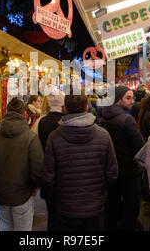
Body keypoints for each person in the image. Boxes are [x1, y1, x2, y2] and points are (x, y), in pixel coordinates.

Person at [41, 95, 118, 231]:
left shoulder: (55, 137)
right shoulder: (103, 135)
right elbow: (112, 173)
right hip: (95, 205)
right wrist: (100, 191)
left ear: (65, 109)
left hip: (66, 206)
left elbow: (48, 176)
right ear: (86, 107)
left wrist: (56, 196)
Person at [0, 98, 44, 231]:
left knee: (5, 227)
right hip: (22, 194)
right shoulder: (30, 137)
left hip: (1, 192)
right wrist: (34, 187)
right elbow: (37, 169)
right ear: (24, 113)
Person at [101, 85, 145, 231]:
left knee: (112, 203)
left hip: (111, 169)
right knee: (131, 206)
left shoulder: (105, 116)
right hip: (129, 169)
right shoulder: (127, 120)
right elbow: (140, 145)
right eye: (128, 97)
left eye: (133, 97)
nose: (133, 101)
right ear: (118, 99)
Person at [36, 91, 65, 231]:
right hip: (65, 173)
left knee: (52, 213)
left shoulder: (43, 122)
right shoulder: (65, 120)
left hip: (48, 171)